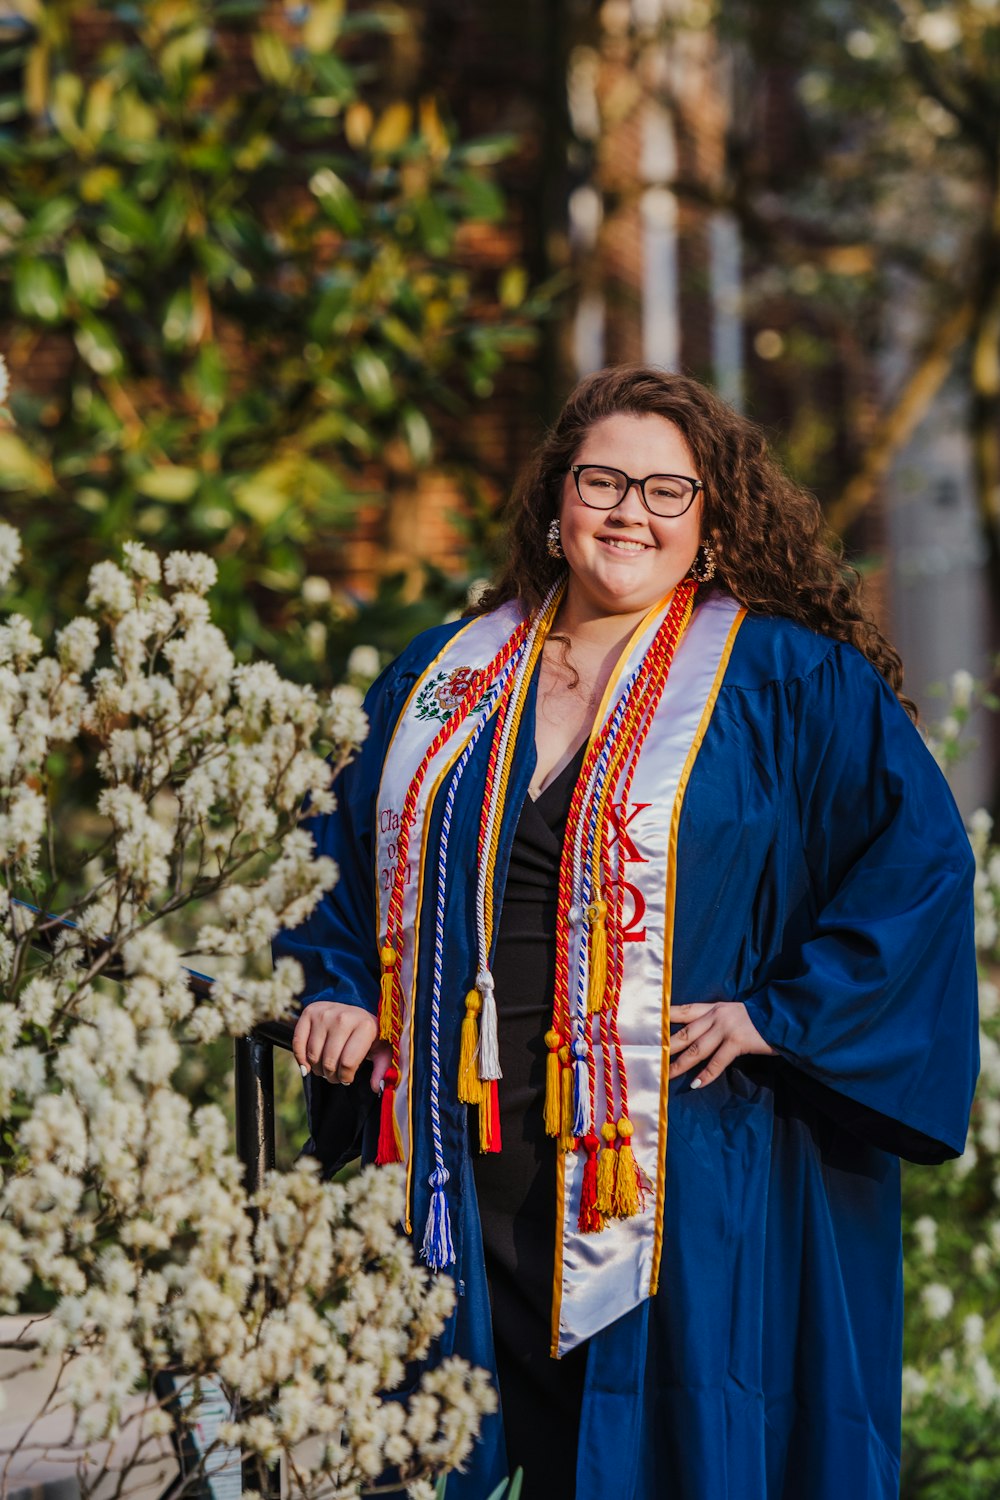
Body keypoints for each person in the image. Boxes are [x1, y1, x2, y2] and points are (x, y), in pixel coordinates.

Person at [274, 365, 979, 1500]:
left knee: (655, 1451)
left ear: (708, 520)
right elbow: (335, 853)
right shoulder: (446, 676)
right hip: (459, 1153)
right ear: (554, 505)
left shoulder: (785, 681)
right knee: (427, 1441)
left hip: (671, 1160)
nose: (628, 512)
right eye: (601, 481)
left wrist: (777, 1017)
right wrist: (337, 982)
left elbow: (920, 866)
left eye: (666, 490)